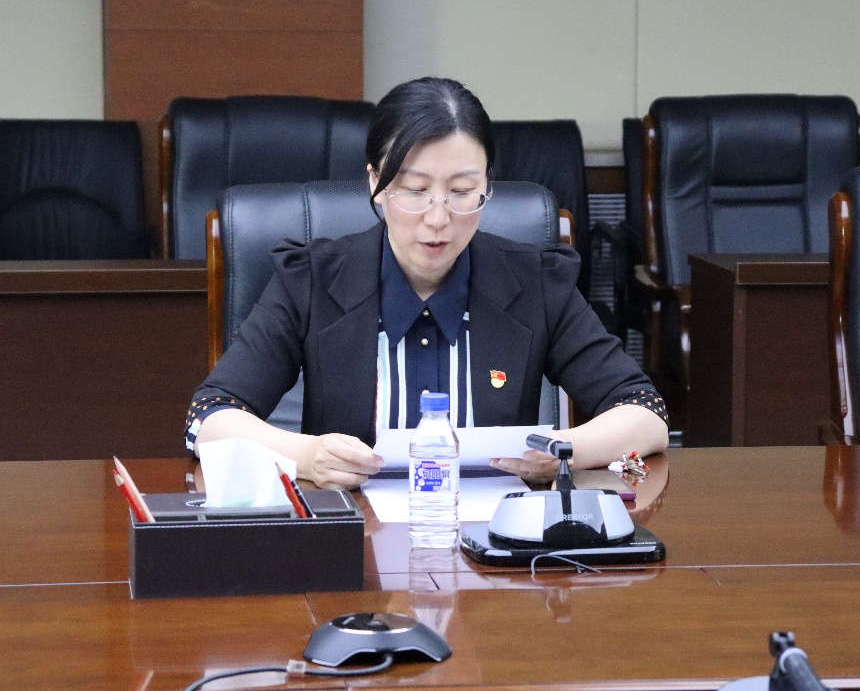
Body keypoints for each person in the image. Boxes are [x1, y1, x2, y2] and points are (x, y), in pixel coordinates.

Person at [185, 77, 669, 489]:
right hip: (354, 542)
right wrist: (306, 456)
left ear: (487, 186)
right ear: (376, 184)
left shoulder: (535, 282)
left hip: (496, 547)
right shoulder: (312, 280)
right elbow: (208, 417)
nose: (438, 218)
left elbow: (646, 413)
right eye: (415, 190)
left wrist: (563, 450)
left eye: (462, 191)